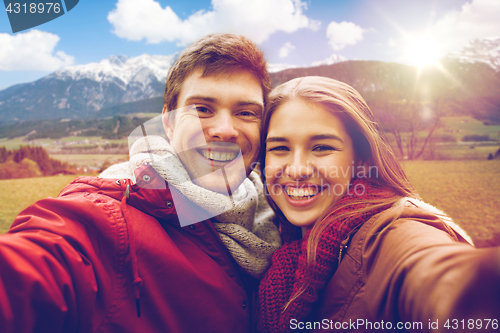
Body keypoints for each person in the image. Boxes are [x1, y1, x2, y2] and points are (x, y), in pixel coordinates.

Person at [0, 33, 281, 333]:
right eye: (202, 109)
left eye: (246, 113)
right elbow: (33, 271)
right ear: (169, 123)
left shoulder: (280, 217)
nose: (225, 130)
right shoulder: (111, 221)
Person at [256, 76, 500, 333]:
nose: (297, 169)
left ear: (361, 158)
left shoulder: (389, 233)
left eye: (321, 147)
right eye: (280, 147)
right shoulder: (277, 241)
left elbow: (433, 272)